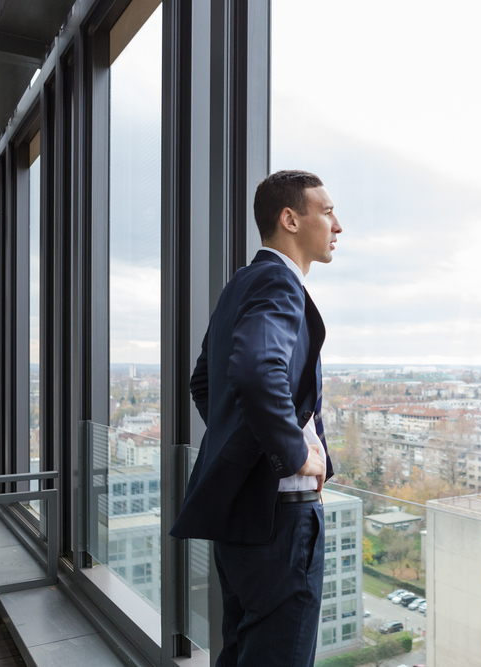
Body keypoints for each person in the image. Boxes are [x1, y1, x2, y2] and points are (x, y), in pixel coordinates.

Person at [170, 170, 342, 666]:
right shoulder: (277, 283)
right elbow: (252, 371)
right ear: (290, 219)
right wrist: (292, 455)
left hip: (245, 517)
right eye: (327, 211)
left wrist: (246, 451)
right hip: (281, 520)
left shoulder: (241, 283)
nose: (337, 225)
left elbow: (204, 383)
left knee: (241, 652)